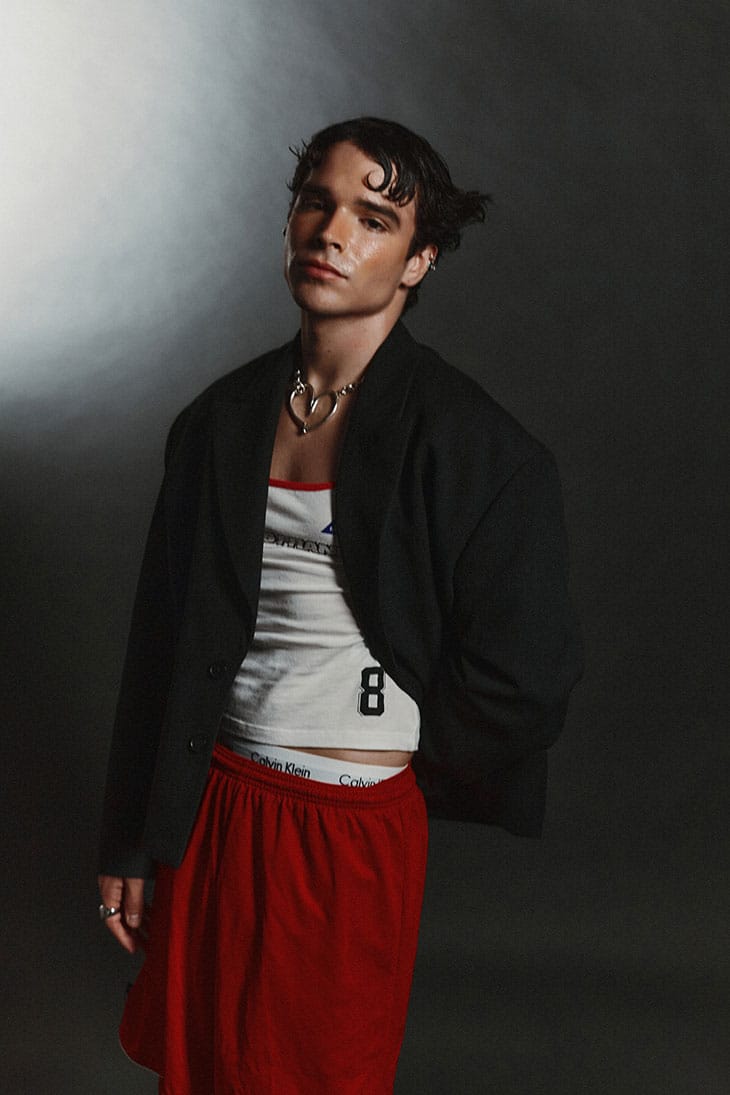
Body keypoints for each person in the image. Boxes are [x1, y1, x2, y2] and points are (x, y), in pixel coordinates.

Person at [98, 116, 583, 1094]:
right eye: (315, 203)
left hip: (346, 825)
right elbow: (160, 643)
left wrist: (388, 744)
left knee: (318, 1074)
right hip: (212, 801)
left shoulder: (480, 448)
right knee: (204, 1072)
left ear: (420, 260)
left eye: (373, 218)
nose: (331, 232)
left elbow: (527, 682)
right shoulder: (217, 421)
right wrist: (130, 838)